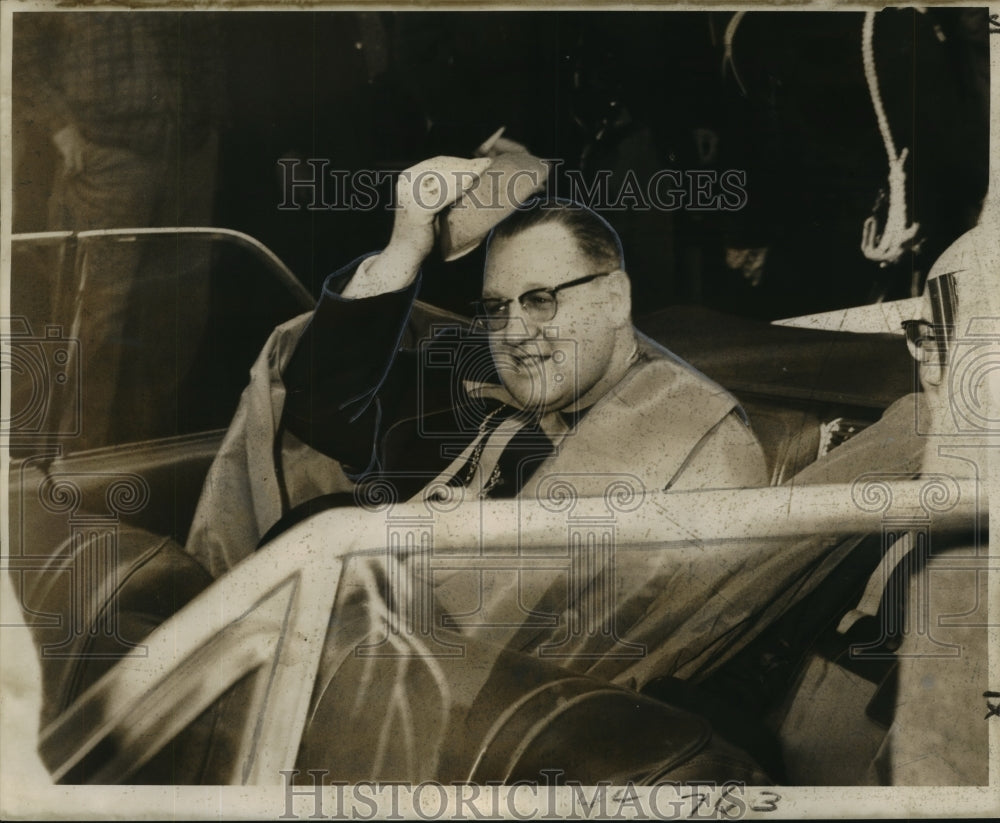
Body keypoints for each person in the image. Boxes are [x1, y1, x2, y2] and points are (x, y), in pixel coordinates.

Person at [186, 155, 768, 578]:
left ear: (615, 299)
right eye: (496, 308)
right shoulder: (468, 393)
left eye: (542, 300)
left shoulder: (693, 441)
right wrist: (403, 251)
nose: (514, 332)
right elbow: (318, 406)